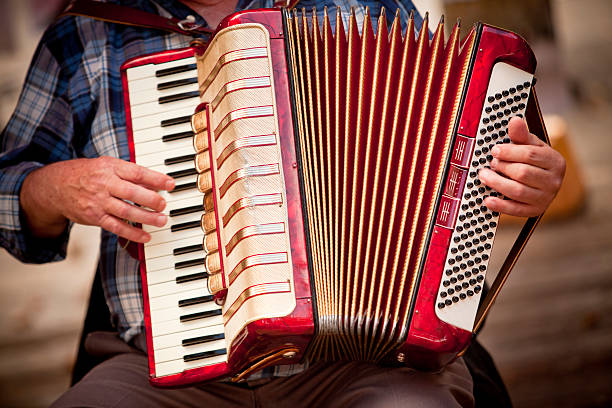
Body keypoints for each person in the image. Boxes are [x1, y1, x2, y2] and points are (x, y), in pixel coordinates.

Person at [0, 0, 566, 406]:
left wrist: (525, 179)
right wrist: (50, 188)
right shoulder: (87, 35)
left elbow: (462, 174)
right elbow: (9, 188)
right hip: (164, 372)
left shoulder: (361, 9)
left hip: (360, 360)